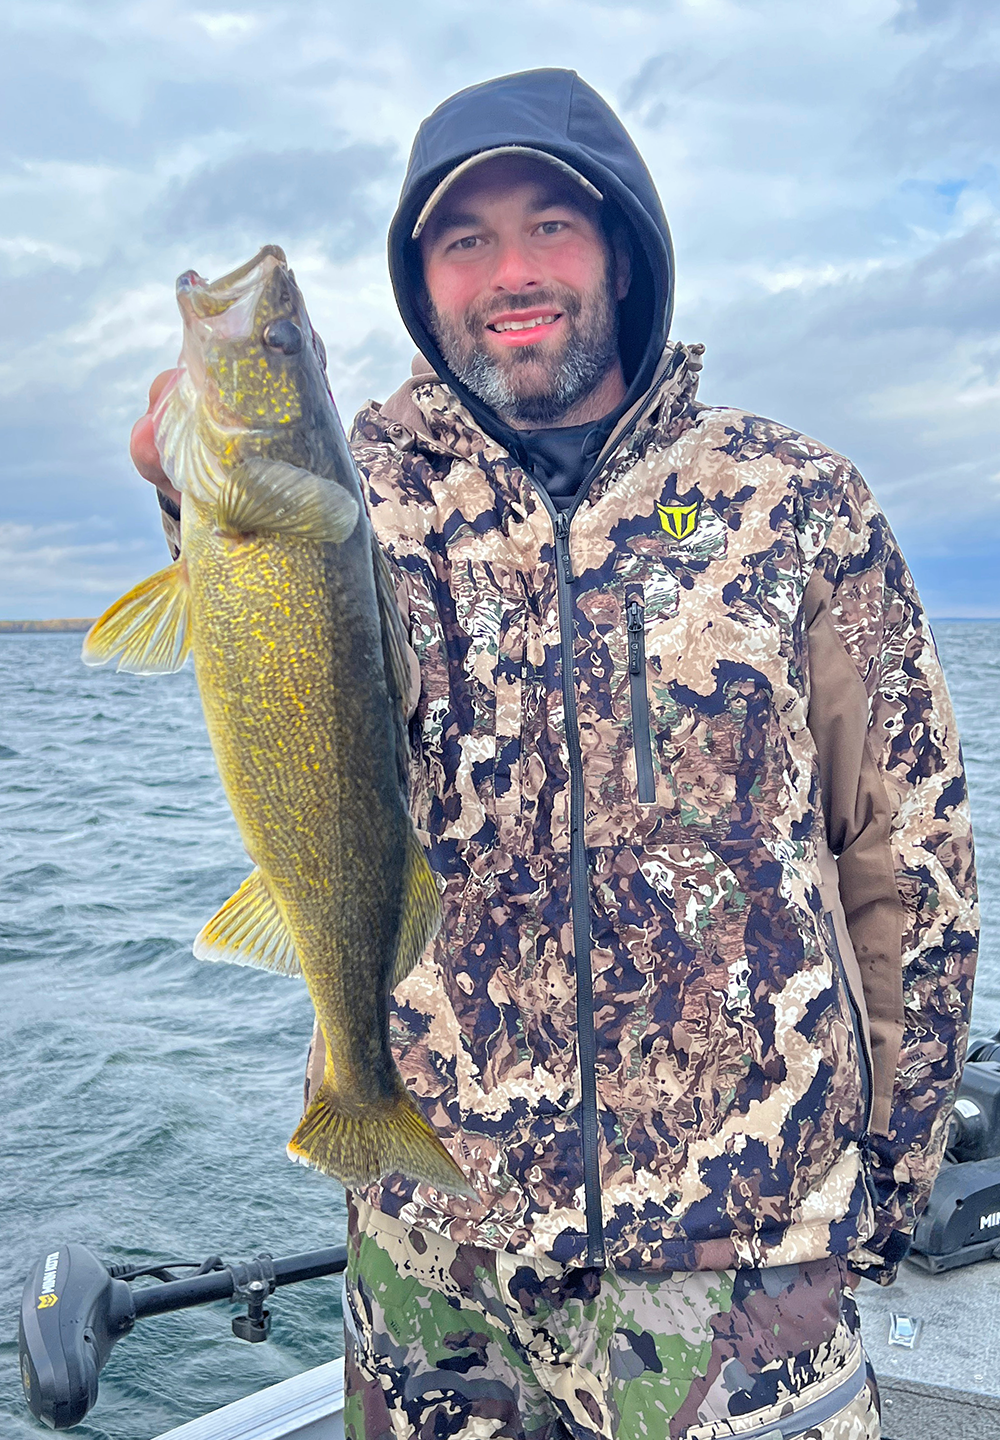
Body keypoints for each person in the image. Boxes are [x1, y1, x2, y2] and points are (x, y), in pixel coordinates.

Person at [132, 69, 978, 1440]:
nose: (509, 272)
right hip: (429, 1254)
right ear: (421, 285)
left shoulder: (795, 499)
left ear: (627, 251)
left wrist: (879, 1180)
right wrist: (186, 500)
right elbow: (301, 675)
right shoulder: (366, 490)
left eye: (550, 226)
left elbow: (910, 861)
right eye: (463, 240)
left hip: (744, 1263)